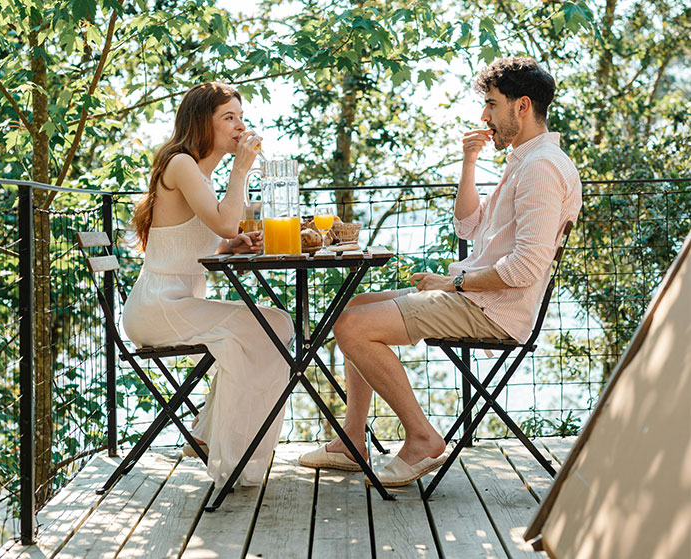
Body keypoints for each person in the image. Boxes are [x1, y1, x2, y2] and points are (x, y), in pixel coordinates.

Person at [299, 57, 582, 486]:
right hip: (476, 296)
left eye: (491, 104)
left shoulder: (541, 167)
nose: (483, 116)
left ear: (521, 106)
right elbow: (468, 225)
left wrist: (453, 283)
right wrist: (469, 162)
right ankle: (352, 440)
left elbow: (525, 267)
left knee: (354, 328)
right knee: (351, 309)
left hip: (491, 308)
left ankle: (422, 438)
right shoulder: (524, 161)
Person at [123, 82, 294, 488]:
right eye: (228, 118)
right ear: (203, 122)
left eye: (241, 117)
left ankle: (210, 435)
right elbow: (226, 220)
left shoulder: (200, 172)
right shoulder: (181, 164)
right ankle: (225, 450)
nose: (239, 126)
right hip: (158, 306)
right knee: (270, 327)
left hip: (176, 301)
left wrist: (228, 245)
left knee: (277, 325)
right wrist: (241, 173)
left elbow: (206, 241)